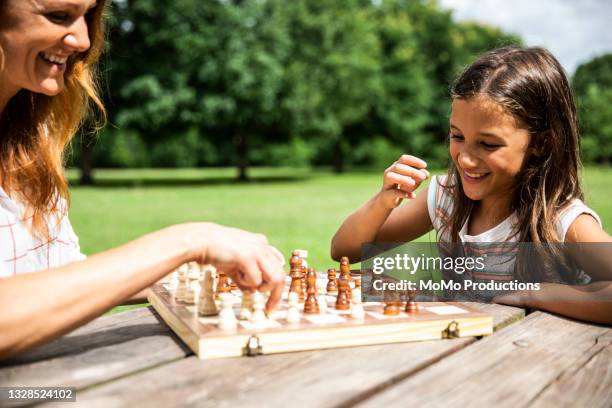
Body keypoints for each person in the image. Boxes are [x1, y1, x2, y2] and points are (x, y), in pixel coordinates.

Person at [0, 0, 285, 359]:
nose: (84, 40)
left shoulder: (27, 139)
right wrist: (189, 241)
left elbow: (55, 275)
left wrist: (195, 271)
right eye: (59, 16)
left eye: (87, 16)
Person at [332, 46, 612, 324]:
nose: (464, 159)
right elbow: (344, 250)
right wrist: (382, 201)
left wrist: (537, 294)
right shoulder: (446, 199)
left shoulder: (560, 220)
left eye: (488, 144)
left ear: (541, 143)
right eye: (457, 136)